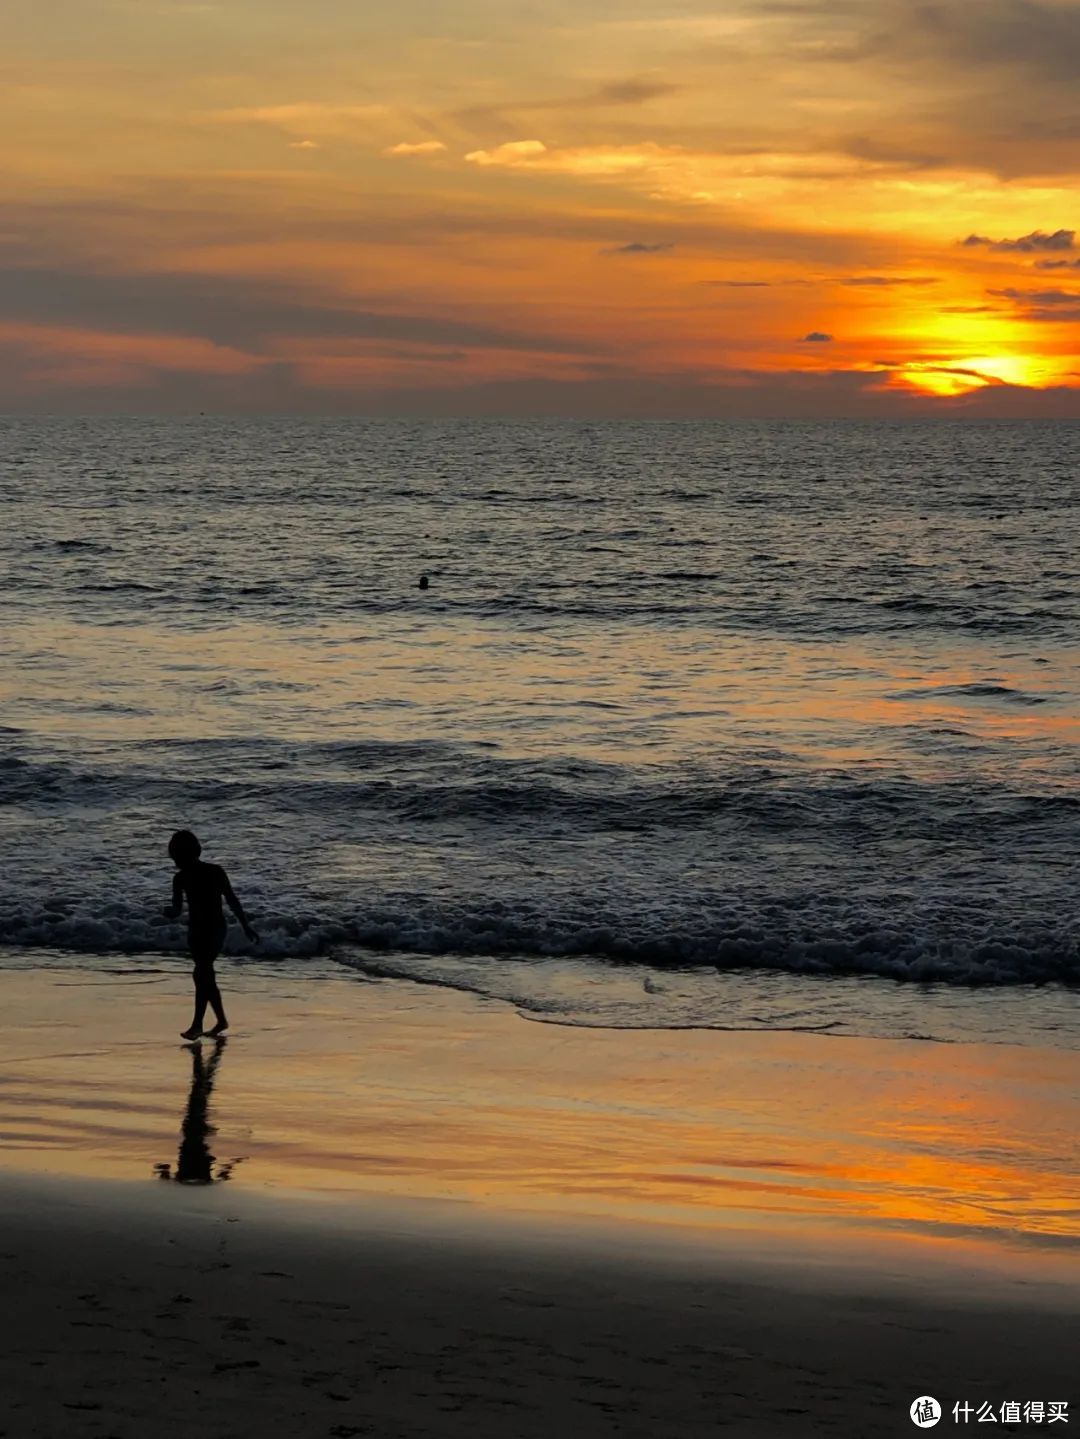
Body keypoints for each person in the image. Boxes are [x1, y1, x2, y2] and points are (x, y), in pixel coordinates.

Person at [164, 830, 258, 1040]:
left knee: (201, 973)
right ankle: (221, 1020)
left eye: (176, 855)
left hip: (214, 929)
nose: (175, 860)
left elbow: (232, 900)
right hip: (197, 930)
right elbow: (178, 909)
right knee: (205, 975)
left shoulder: (200, 874)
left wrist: (246, 926)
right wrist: (169, 912)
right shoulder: (192, 876)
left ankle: (197, 1025)